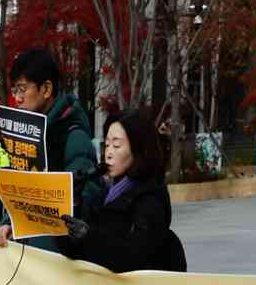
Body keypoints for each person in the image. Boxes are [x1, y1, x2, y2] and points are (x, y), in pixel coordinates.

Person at [0, 47, 96, 253]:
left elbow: (89, 196)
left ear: (46, 89)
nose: (17, 98)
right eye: (15, 90)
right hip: (28, 253)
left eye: (22, 89)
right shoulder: (27, 137)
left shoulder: (73, 136)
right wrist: (9, 222)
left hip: (59, 258)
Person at [59, 109, 186, 275]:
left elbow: (132, 257)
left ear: (138, 150)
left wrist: (89, 238)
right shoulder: (104, 193)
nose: (108, 153)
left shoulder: (150, 200)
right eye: (107, 144)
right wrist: (71, 206)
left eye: (117, 145)